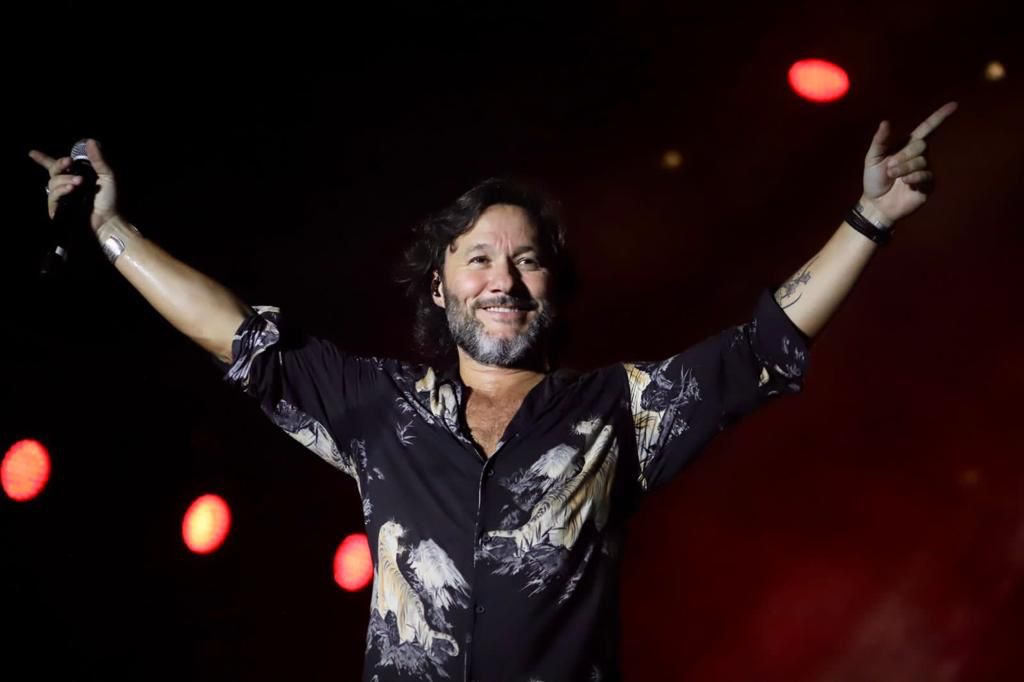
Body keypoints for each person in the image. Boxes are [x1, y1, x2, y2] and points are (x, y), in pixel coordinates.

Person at [29, 101, 957, 682]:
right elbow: (231, 331)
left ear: (554, 287)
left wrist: (868, 218)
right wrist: (111, 231)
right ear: (440, 288)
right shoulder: (378, 407)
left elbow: (762, 347)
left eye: (526, 260)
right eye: (477, 259)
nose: (502, 280)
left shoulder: (618, 413)